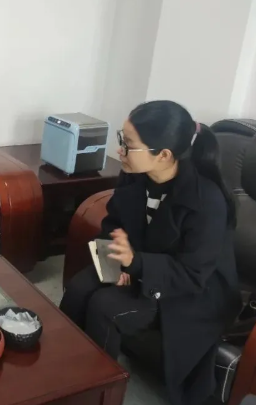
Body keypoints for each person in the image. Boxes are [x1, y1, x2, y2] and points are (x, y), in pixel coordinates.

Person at [59, 100, 241, 405]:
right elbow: (113, 224)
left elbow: (193, 274)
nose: (120, 150)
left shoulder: (206, 201)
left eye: (129, 145)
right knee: (79, 287)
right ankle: (60, 369)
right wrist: (115, 266)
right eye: (122, 138)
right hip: (143, 266)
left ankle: (96, 396)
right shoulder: (134, 177)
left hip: (192, 292)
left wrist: (136, 264)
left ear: (164, 155)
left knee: (106, 306)